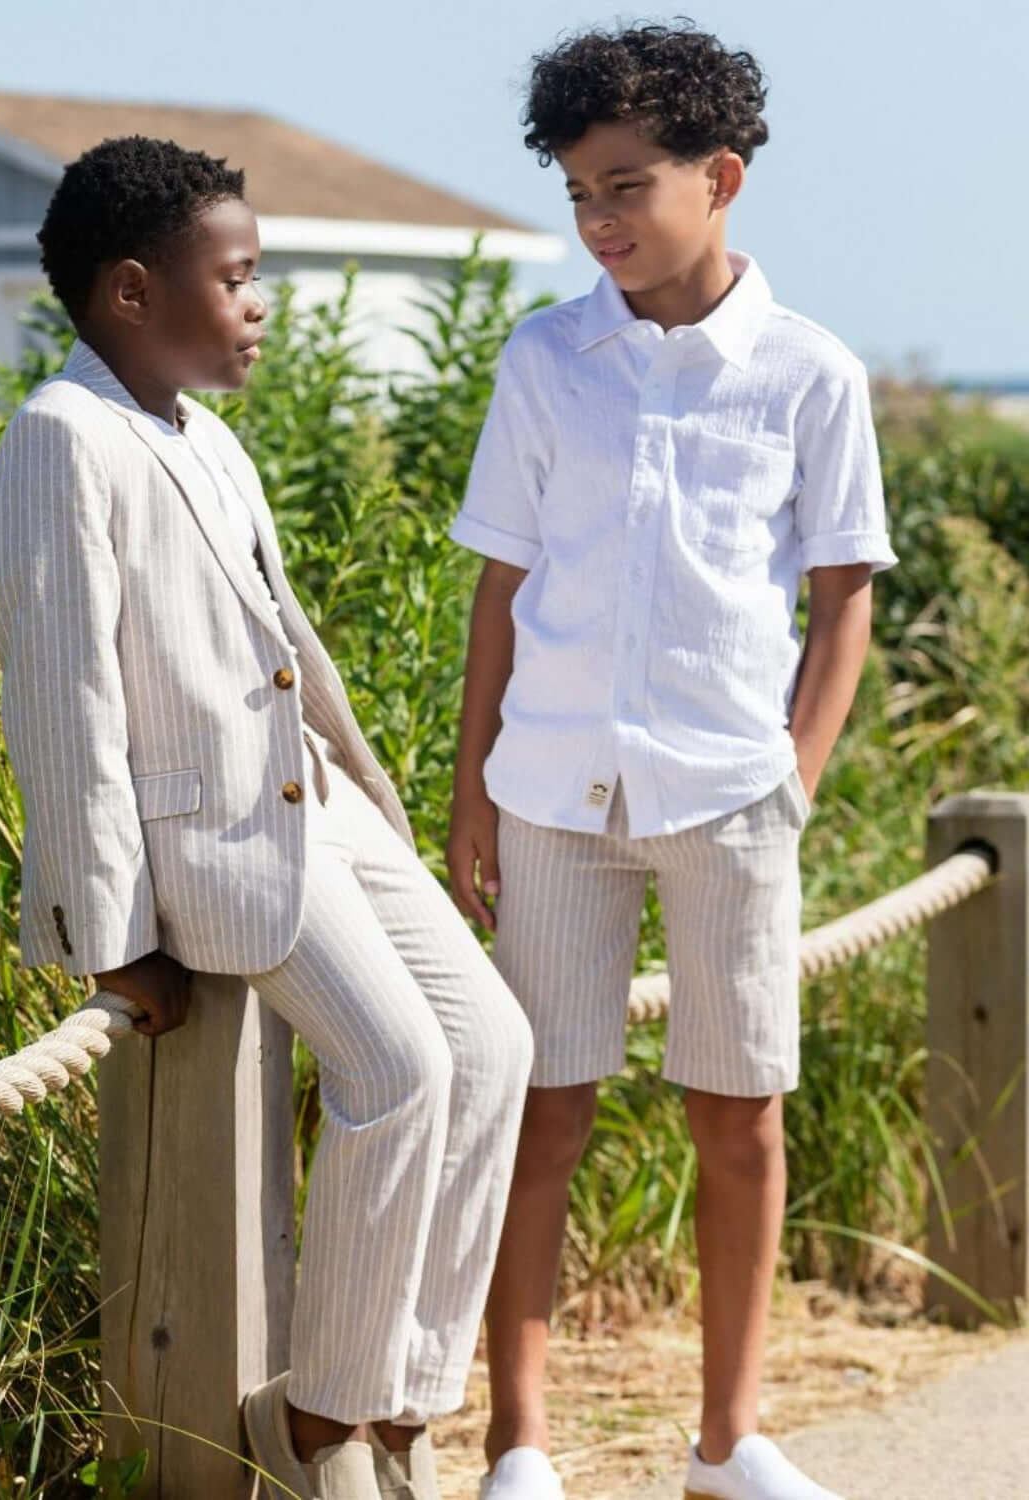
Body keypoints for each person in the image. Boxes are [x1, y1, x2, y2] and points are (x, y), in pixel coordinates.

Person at [0, 134, 533, 1500]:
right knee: (398, 1068)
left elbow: (288, 634)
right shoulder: (61, 440)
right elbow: (66, 708)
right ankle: (316, 1427)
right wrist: (112, 939)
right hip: (212, 841)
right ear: (129, 293)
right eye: (234, 279)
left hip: (315, 805)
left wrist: (373, 792)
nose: (260, 304)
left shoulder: (202, 435)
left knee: (495, 1040)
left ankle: (400, 1405)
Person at [448, 24, 896, 1500]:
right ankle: (521, 1443)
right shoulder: (544, 359)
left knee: (738, 1112)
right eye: (579, 192)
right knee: (545, 1108)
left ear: (722, 177)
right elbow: (499, 589)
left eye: (626, 186)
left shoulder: (811, 374)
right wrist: (470, 799)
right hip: (552, 793)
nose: (600, 221)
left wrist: (797, 779)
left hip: (730, 796)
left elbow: (845, 593)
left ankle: (728, 1441)